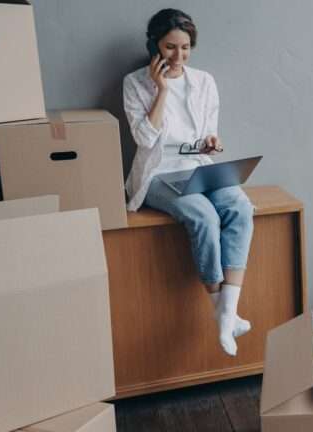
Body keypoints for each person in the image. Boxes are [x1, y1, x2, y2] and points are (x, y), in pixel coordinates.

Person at [123, 8, 254, 356]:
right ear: (155, 45)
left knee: (240, 204)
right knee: (204, 216)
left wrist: (213, 142)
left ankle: (228, 310)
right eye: (169, 47)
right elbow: (145, 138)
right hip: (159, 172)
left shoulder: (205, 81)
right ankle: (222, 314)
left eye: (185, 48)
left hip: (198, 163)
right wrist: (161, 90)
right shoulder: (135, 83)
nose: (178, 56)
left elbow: (208, 131)